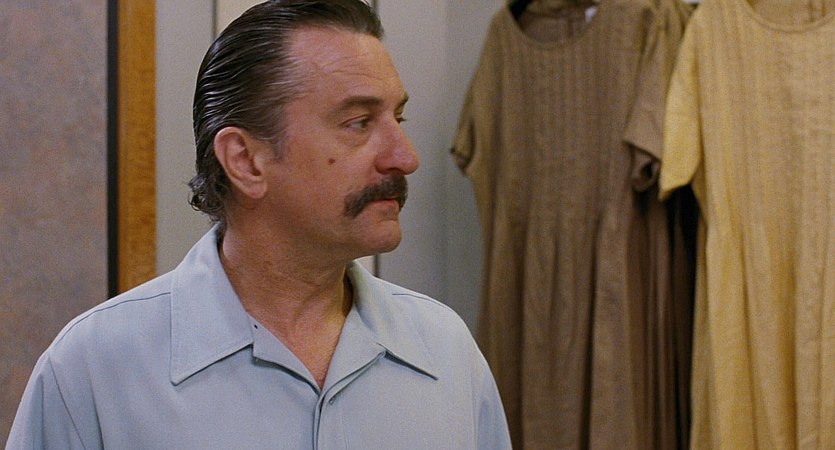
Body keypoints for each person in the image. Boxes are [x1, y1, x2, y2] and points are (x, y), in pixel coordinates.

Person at [5, 1, 511, 448]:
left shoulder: (447, 352)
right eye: (358, 123)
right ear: (245, 161)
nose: (405, 157)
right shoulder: (94, 371)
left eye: (397, 119)